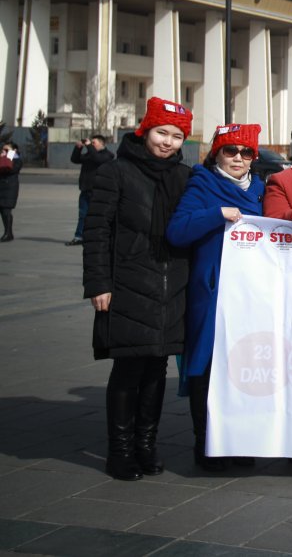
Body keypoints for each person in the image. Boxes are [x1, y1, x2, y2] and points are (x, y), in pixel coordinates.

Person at [82, 97, 193, 481]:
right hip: (127, 282)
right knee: (129, 367)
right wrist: (98, 283)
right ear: (145, 130)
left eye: (177, 136)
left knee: (157, 369)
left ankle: (147, 445)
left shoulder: (184, 176)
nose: (168, 142)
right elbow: (97, 231)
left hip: (171, 284)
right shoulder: (115, 172)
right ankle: (121, 451)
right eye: (162, 132)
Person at [165, 123, 265, 472]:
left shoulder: (260, 189)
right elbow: (177, 232)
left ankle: (238, 440)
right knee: (207, 365)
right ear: (216, 154)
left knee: (243, 366)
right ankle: (205, 441)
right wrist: (216, 214)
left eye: (246, 152)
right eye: (230, 150)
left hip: (250, 294)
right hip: (213, 291)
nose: (238, 158)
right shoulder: (203, 184)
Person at [68, 134, 114, 245]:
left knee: (100, 216)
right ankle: (79, 237)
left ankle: (100, 237)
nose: (91, 145)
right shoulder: (90, 154)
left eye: (94, 143)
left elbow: (98, 159)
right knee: (83, 215)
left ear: (102, 144)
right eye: (91, 143)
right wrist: (78, 148)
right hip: (85, 190)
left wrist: (89, 146)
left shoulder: (107, 155)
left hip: (99, 191)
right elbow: (75, 159)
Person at [0, 141, 20, 241]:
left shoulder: (17, 160)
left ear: (14, 150)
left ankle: (8, 233)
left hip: (10, 188)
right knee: (3, 211)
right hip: (2, 187)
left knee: (6, 210)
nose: (4, 151)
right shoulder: (3, 158)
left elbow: (11, 170)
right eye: (3, 149)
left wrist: (7, 157)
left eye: (7, 150)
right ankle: (9, 233)